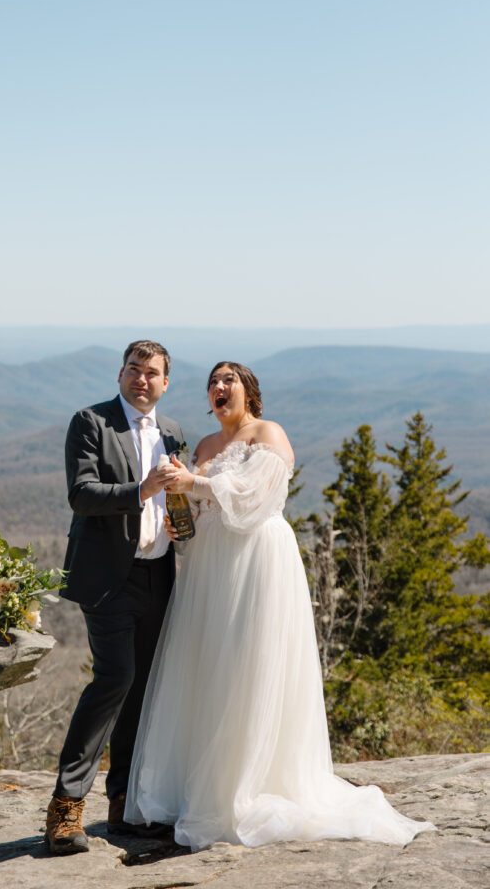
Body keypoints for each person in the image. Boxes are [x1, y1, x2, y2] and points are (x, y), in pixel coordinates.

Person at [124, 361, 435, 850]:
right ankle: (206, 786)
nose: (219, 387)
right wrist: (180, 523)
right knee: (210, 667)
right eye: (213, 382)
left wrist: (191, 485)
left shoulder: (269, 433)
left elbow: (253, 499)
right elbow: (201, 512)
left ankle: (250, 787)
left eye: (229, 380)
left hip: (257, 559)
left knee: (250, 666)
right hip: (209, 567)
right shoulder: (203, 446)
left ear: (250, 391)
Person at [46, 339, 186, 854]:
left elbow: (173, 498)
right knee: (116, 678)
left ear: (165, 383)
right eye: (133, 370)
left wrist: (179, 521)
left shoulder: (172, 432)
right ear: (120, 374)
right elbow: (80, 493)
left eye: (152, 373)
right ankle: (65, 810)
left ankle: (124, 807)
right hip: (109, 578)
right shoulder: (91, 422)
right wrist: (142, 489)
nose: (141, 379)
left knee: (143, 689)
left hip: (160, 575)